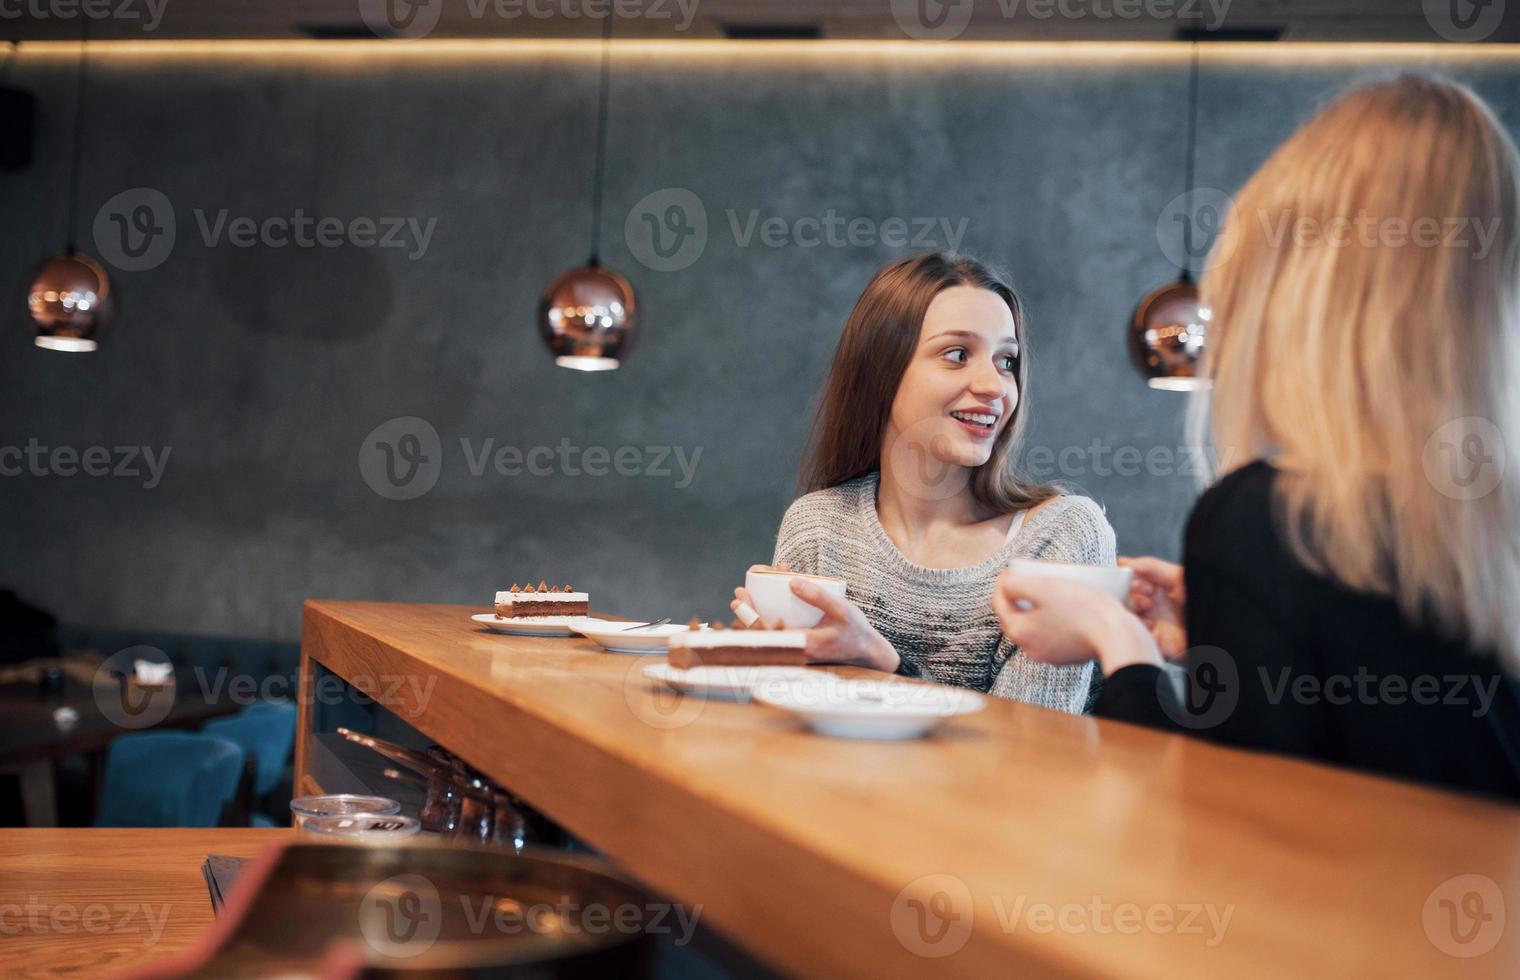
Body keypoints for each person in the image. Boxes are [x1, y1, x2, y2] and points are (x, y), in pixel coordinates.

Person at [993, 75, 1520, 798]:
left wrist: (1119, 644)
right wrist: (1220, 628)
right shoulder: (1480, 523)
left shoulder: (1265, 523)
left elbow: (1224, 827)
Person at [732, 252, 1115, 713]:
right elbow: (791, 731)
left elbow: (1028, 752)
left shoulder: (1062, 537)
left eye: (1006, 360)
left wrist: (887, 665)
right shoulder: (818, 526)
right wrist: (762, 670)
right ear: (882, 371)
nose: (994, 386)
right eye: (958, 355)